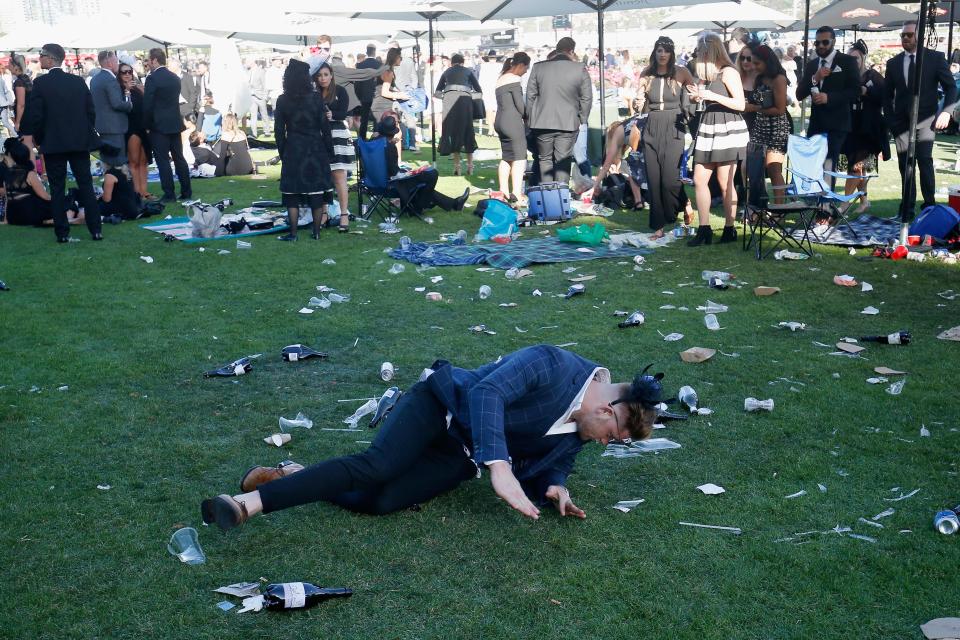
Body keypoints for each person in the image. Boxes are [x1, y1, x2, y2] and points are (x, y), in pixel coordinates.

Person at [200, 344, 661, 530]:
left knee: (379, 501)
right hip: (440, 406)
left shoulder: (585, 425)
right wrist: (499, 467)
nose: (607, 442)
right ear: (607, 408)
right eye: (614, 435)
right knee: (378, 466)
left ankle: (292, 474)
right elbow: (487, 391)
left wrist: (554, 485)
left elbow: (560, 456)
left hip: (461, 455)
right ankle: (246, 506)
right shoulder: (553, 363)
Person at [19, 43, 103, 242]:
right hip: (78, 142)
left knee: (57, 188)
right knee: (86, 185)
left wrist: (39, 138)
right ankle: (96, 230)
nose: (40, 59)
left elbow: (36, 116)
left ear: (50, 58)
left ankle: (62, 233)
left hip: (54, 143)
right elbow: (90, 112)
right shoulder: (77, 81)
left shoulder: (41, 83)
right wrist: (84, 132)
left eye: (41, 56)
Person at [883, 21, 957, 216]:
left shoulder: (934, 58)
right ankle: (906, 208)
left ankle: (929, 207)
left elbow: (951, 87)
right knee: (905, 166)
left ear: (919, 36)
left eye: (909, 35)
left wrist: (946, 112)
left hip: (926, 119)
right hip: (900, 122)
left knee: (924, 161)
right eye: (902, 36)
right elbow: (886, 95)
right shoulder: (894, 63)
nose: (905, 38)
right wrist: (891, 120)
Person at [685, 32, 748, 246]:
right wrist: (698, 95)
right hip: (709, 125)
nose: (699, 57)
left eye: (701, 53)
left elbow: (740, 104)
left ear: (710, 51)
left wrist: (712, 96)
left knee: (725, 181)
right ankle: (704, 229)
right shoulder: (709, 75)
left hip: (726, 127)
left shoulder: (729, 72)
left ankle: (729, 228)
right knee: (699, 179)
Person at [638, 36, 695, 239]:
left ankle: (681, 203)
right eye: (659, 50)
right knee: (653, 179)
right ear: (655, 52)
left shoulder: (681, 72)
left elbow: (694, 95)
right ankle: (658, 226)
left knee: (670, 180)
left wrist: (694, 99)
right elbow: (639, 101)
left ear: (671, 53)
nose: (662, 54)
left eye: (666, 51)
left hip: (674, 125)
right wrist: (637, 99)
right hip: (652, 125)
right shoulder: (647, 73)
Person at [273, 59, 334, 241]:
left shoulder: (282, 100)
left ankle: (293, 233)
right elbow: (325, 126)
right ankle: (316, 232)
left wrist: (283, 151)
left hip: (293, 148)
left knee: (292, 193)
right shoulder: (316, 98)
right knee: (316, 191)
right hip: (316, 147)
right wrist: (329, 150)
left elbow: (278, 130)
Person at [795, 26, 860, 185]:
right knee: (813, 163)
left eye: (825, 42)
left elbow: (855, 91)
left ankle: (827, 203)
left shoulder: (846, 61)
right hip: (817, 123)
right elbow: (799, 94)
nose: (821, 46)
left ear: (833, 41)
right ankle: (817, 199)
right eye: (817, 43)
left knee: (829, 162)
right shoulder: (812, 65)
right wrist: (814, 78)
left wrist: (829, 97)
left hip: (837, 123)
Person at [526, 37, 592, 185]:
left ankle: (547, 195)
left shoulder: (538, 67)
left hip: (541, 122)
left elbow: (530, 96)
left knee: (544, 159)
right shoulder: (579, 68)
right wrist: (582, 118)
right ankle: (560, 196)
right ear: (571, 51)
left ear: (556, 50)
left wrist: (530, 118)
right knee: (563, 160)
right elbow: (586, 98)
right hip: (568, 122)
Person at [377, 115, 469, 216]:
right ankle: (419, 206)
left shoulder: (371, 144)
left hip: (374, 182)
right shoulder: (390, 147)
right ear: (393, 133)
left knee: (424, 184)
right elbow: (394, 172)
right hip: (391, 183)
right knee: (431, 174)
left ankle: (455, 204)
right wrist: (407, 173)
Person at [842, 40, 889, 214]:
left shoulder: (872, 76)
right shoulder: (846, 78)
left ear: (863, 58)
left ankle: (844, 203)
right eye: (850, 58)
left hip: (870, 128)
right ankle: (864, 201)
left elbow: (885, 97)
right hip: (851, 126)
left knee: (858, 166)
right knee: (854, 166)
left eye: (856, 58)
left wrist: (866, 92)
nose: (854, 62)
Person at [742, 43, 791, 204]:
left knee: (774, 168)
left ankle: (779, 208)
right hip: (760, 128)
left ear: (767, 61)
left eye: (757, 63)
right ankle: (757, 205)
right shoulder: (759, 78)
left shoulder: (779, 79)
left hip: (777, 129)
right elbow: (756, 101)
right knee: (754, 169)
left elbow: (780, 109)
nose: (754, 67)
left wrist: (754, 108)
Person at [143, 48, 191, 202]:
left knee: (163, 160)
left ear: (155, 60)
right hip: (175, 123)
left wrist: (147, 124)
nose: (147, 63)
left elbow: (148, 104)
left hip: (159, 125)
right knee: (179, 158)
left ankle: (169, 193)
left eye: (149, 60)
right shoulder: (174, 77)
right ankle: (186, 190)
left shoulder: (153, 78)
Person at [311, 59, 354, 232]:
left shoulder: (340, 91)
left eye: (326, 75)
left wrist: (332, 114)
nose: (323, 78)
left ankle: (344, 215)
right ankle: (324, 212)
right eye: (320, 75)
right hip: (319, 136)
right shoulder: (313, 94)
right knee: (322, 177)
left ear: (331, 75)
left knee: (339, 176)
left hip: (337, 136)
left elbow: (345, 112)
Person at [435, 53, 481, 176]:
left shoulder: (446, 72)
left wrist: (447, 95)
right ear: (462, 62)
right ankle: (470, 167)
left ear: (451, 62)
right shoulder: (468, 71)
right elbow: (478, 90)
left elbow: (437, 93)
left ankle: (457, 167)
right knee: (468, 131)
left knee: (453, 132)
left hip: (449, 102)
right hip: (465, 102)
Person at [494, 53, 530, 205]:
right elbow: (520, 107)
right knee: (520, 158)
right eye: (526, 68)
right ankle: (516, 192)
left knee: (506, 157)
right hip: (512, 122)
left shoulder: (501, 78)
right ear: (521, 65)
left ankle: (503, 191)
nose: (526, 71)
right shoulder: (515, 79)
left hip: (500, 121)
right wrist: (530, 115)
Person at [90, 51, 132, 167]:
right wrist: (128, 100)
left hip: (102, 127)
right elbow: (117, 104)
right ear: (109, 63)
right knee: (118, 163)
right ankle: (118, 184)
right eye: (116, 61)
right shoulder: (110, 80)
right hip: (115, 127)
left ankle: (109, 184)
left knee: (107, 162)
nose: (118, 65)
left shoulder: (95, 79)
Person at [2, 137, 54, 226]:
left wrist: (6, 219)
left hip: (13, 216)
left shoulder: (8, 174)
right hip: (30, 214)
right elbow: (44, 196)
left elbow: (8, 199)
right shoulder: (29, 174)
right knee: (64, 203)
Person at [118, 57, 150, 200]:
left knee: (144, 161)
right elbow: (125, 107)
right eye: (124, 72)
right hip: (131, 128)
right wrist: (127, 92)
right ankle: (137, 192)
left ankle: (145, 191)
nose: (127, 74)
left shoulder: (138, 87)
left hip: (143, 127)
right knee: (134, 161)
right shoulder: (119, 90)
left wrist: (141, 90)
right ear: (119, 75)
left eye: (129, 71)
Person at [98, 153, 140, 221]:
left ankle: (105, 218)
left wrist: (100, 197)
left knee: (90, 208)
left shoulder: (110, 174)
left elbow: (107, 199)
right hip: (133, 208)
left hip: (121, 208)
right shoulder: (125, 171)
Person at [355, 44, 382, 139]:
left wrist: (358, 96)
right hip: (376, 96)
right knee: (377, 119)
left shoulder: (360, 65)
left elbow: (357, 84)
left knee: (364, 120)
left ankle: (362, 141)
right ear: (374, 52)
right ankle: (376, 139)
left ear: (367, 52)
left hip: (364, 96)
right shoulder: (379, 65)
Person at [7, 54, 32, 134]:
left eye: (9, 64)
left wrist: (17, 122)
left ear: (16, 67)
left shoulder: (19, 82)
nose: (8, 66)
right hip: (29, 114)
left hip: (25, 116)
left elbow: (21, 104)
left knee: (26, 142)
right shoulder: (25, 78)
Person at [478, 49, 501, 136]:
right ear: (488, 58)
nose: (492, 60)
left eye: (494, 58)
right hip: (487, 90)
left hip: (496, 89)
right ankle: (491, 128)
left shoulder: (500, 66)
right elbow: (481, 80)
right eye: (491, 58)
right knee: (488, 110)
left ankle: (495, 129)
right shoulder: (484, 66)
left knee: (496, 110)